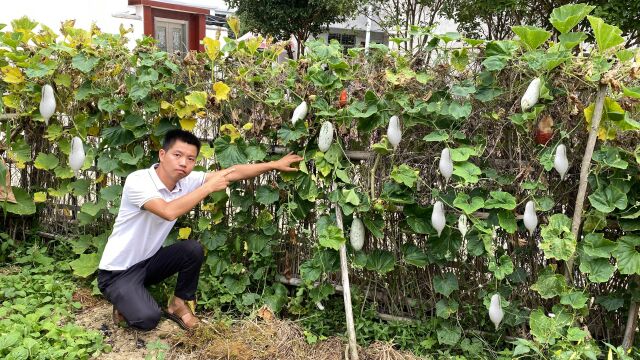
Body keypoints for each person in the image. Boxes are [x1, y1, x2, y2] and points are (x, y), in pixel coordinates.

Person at [97, 129, 302, 331]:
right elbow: (168, 211)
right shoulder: (139, 180)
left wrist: (274, 165)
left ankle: (178, 304)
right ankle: (124, 304)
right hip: (117, 272)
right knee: (148, 319)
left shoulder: (185, 181)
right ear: (162, 154)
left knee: (192, 249)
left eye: (190, 159)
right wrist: (208, 187)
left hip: (148, 263)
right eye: (177, 155)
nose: (183, 163)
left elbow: (232, 173)